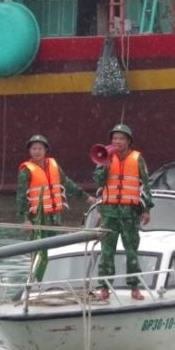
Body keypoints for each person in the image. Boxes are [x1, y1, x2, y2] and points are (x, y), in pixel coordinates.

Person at [15, 134, 93, 281]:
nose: (37, 151)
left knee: (53, 250)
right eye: (33, 149)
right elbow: (21, 197)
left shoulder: (53, 165)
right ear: (30, 151)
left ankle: (50, 280)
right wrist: (25, 220)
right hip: (37, 218)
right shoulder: (26, 171)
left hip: (54, 217)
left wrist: (87, 198)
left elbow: (67, 183)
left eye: (39, 148)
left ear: (45, 150)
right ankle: (37, 282)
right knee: (38, 251)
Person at [92, 123, 153, 301]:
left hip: (130, 213)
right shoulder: (104, 157)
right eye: (114, 138)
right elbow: (99, 182)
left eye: (121, 138)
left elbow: (146, 184)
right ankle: (104, 287)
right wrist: (104, 163)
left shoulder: (137, 159)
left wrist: (147, 209)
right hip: (109, 212)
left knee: (131, 251)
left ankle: (134, 286)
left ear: (128, 141)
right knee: (107, 252)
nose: (117, 141)